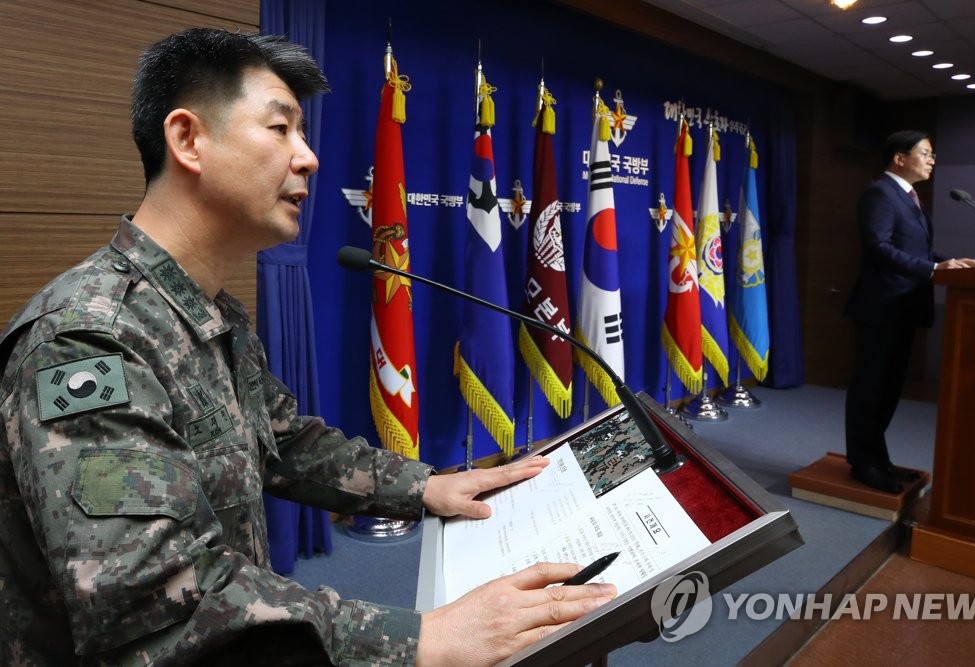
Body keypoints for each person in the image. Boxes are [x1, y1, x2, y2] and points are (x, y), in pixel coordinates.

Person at [0, 28, 614, 666]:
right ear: (187, 139)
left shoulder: (210, 312)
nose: (309, 158)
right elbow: (153, 601)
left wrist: (425, 486)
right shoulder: (87, 340)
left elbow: (285, 443)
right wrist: (421, 640)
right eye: (281, 129)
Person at [844, 130, 975, 493]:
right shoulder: (879, 193)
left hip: (903, 308)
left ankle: (879, 459)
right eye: (925, 153)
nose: (932, 160)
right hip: (881, 308)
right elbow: (878, 248)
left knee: (889, 390)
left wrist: (949, 262)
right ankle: (863, 463)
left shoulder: (908, 196)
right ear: (900, 158)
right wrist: (933, 269)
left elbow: (915, 251)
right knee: (870, 389)